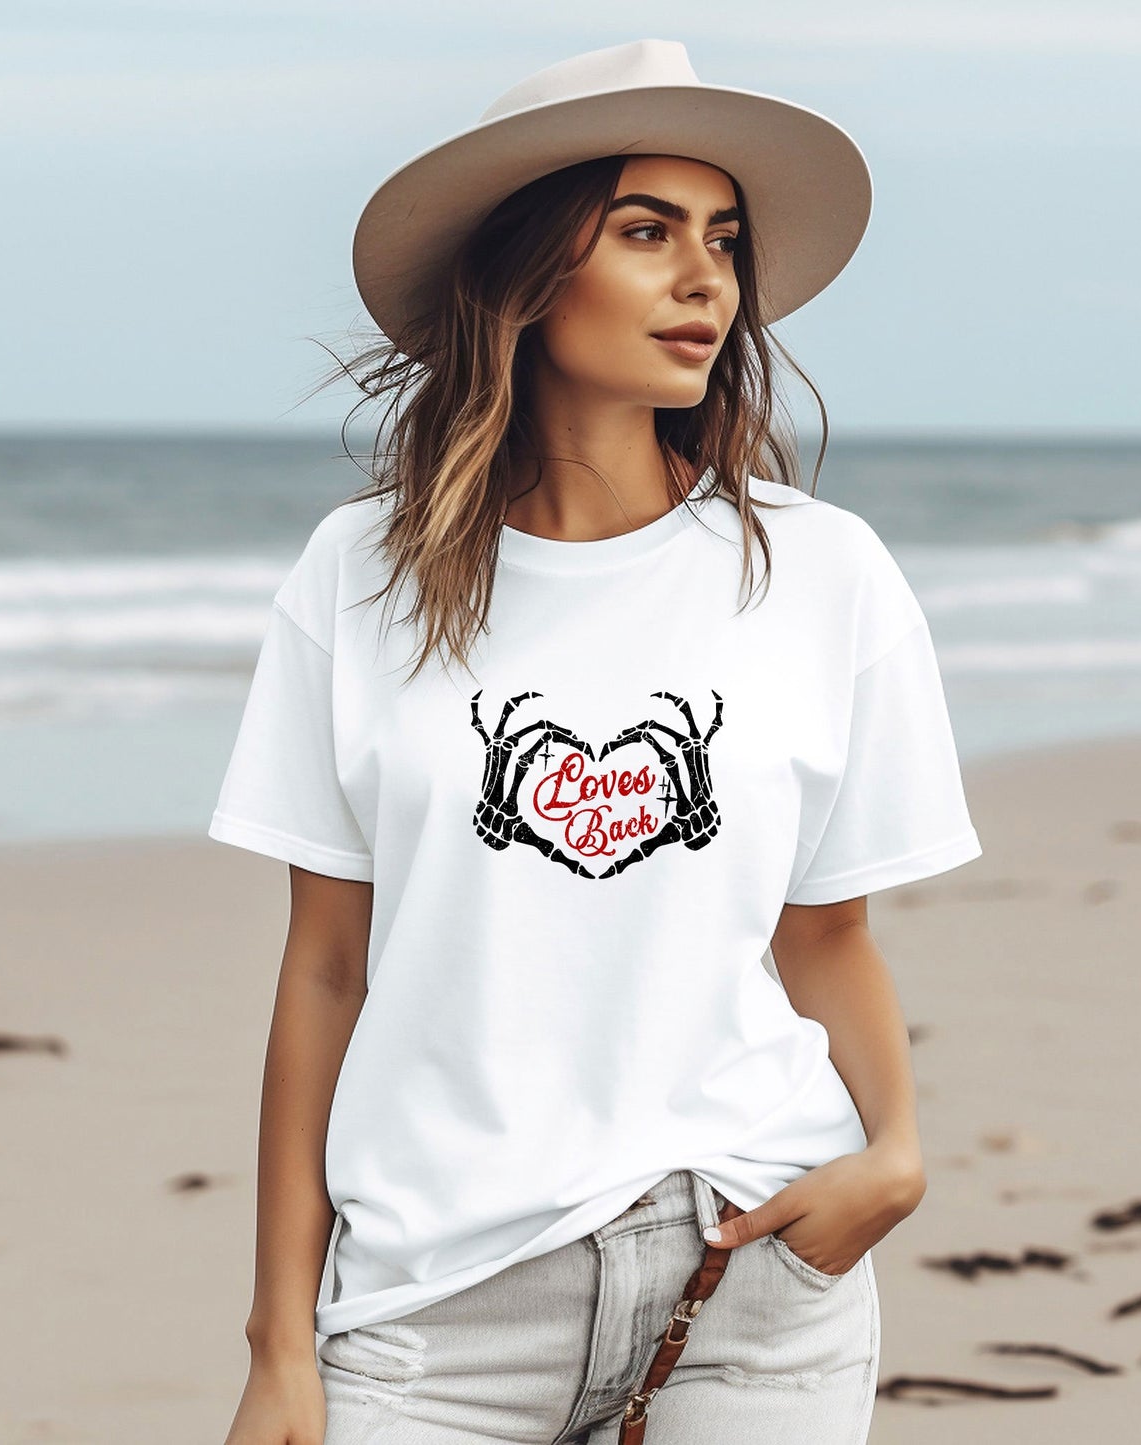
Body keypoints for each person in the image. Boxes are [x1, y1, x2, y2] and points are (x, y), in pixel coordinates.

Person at [210, 38, 982, 1445]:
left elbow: (825, 935)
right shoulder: (358, 577)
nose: (704, 279)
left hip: (747, 1272)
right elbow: (324, 965)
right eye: (644, 231)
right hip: (433, 1302)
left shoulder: (822, 574)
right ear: (525, 273)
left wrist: (896, 1154)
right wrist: (280, 1342)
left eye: (723, 241)